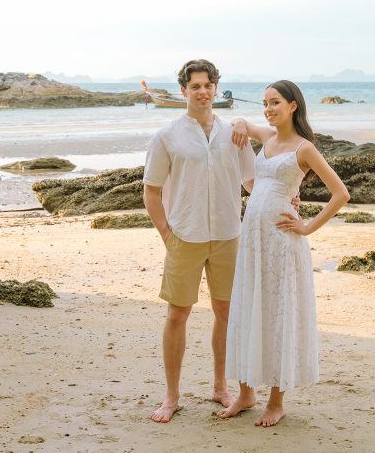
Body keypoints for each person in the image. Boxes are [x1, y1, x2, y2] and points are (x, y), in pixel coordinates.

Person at [218, 80, 350, 427]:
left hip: (281, 242)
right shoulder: (268, 138)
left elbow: (340, 194)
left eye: (275, 102)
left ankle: (277, 401)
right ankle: (246, 393)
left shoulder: (303, 148)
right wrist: (239, 125)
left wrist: (307, 227)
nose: (268, 108)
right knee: (248, 308)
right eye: (265, 103)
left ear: (293, 105)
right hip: (253, 239)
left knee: (278, 313)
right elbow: (241, 125)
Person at [142, 59, 256, 423]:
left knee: (226, 313)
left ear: (216, 88)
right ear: (184, 91)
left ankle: (220, 386)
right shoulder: (167, 135)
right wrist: (166, 232)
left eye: (208, 85)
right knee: (178, 314)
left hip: (227, 234)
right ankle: (172, 395)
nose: (203, 92)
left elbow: (253, 182)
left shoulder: (234, 134)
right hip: (184, 236)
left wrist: (287, 196)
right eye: (195, 86)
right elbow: (151, 191)